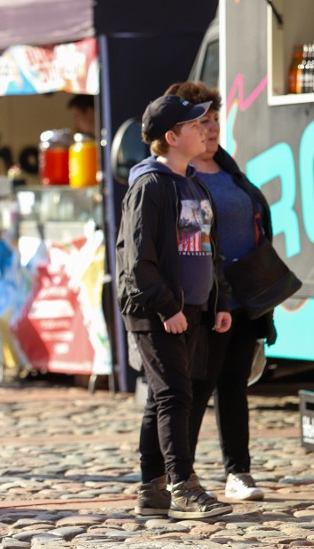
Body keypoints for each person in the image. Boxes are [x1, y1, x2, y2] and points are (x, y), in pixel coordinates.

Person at [116, 94, 234, 520]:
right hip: (155, 311)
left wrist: (217, 301)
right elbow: (138, 259)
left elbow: (207, 250)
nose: (204, 129)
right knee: (175, 394)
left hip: (193, 311)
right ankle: (184, 485)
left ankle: (152, 491)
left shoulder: (194, 183)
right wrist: (167, 308)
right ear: (171, 137)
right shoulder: (150, 185)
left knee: (162, 398)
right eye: (194, 124)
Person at [166, 81, 276, 502]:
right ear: (181, 128)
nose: (211, 129)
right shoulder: (179, 177)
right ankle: (182, 476)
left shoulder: (230, 170)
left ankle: (238, 472)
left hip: (245, 296)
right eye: (202, 121)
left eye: (214, 120)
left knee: (234, 384)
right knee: (195, 387)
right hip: (206, 299)